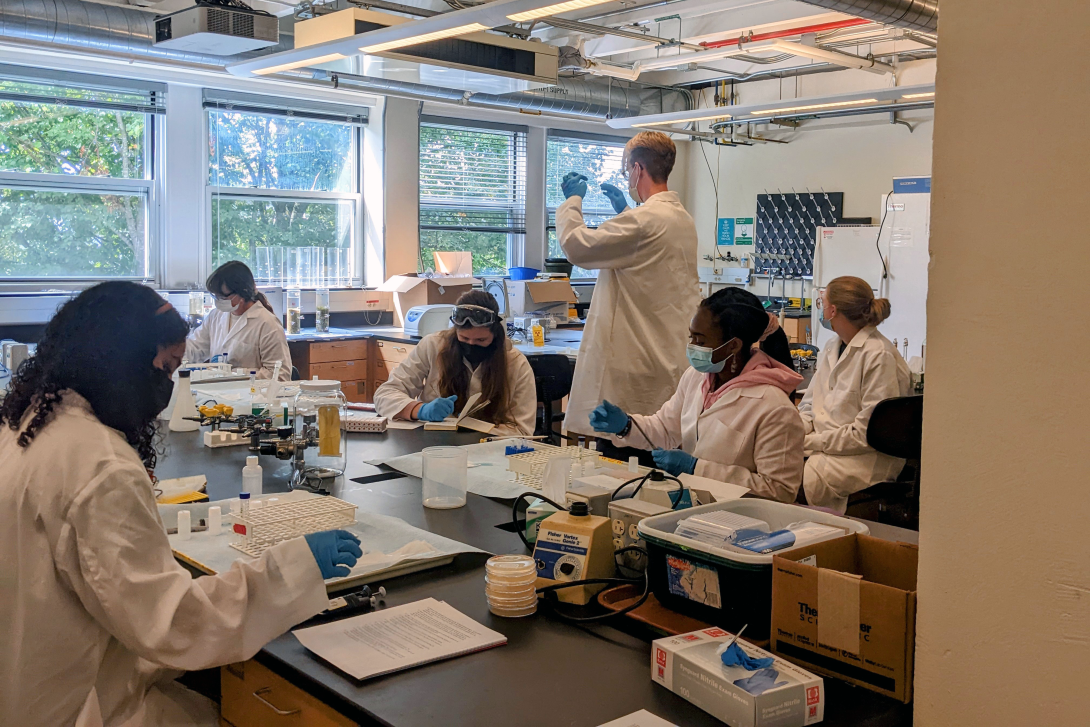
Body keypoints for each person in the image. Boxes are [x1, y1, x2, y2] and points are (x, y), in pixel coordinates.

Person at [0, 282, 361, 727]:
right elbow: (173, 626)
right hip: (83, 706)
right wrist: (290, 572)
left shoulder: (29, 421)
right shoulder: (101, 465)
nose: (167, 385)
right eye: (166, 368)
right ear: (125, 363)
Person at [555, 131, 700, 458]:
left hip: (636, 368)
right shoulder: (681, 218)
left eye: (625, 172)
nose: (627, 178)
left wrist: (571, 202)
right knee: (656, 459)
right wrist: (624, 210)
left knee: (624, 462)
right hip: (667, 356)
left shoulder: (645, 220)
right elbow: (641, 259)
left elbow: (578, 247)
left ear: (637, 170)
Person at [588, 287, 805, 502]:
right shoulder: (696, 378)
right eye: (691, 337)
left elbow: (779, 491)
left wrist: (696, 468)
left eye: (700, 341)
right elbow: (665, 429)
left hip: (742, 518)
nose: (692, 347)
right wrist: (625, 425)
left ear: (734, 346)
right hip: (694, 505)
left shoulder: (774, 407)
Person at [799, 276, 911, 512]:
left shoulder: (879, 355)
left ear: (832, 310)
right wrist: (793, 433)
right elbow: (809, 406)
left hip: (866, 458)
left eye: (822, 303)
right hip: (830, 447)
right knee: (773, 464)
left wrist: (811, 443)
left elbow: (866, 434)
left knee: (792, 481)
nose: (821, 310)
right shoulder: (832, 346)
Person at [374, 290, 536, 436]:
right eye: (464, 338)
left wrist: (476, 431)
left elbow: (523, 430)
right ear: (455, 330)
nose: (471, 345)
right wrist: (420, 410)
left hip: (489, 449)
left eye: (481, 340)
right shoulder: (433, 346)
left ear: (495, 334)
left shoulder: (515, 363)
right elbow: (385, 395)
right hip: (434, 444)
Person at [186, 260, 292, 381]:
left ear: (242, 292)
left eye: (222, 297)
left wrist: (235, 374)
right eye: (215, 296)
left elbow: (280, 376)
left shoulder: (267, 324)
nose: (218, 301)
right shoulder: (216, 316)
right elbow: (195, 348)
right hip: (219, 393)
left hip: (252, 395)